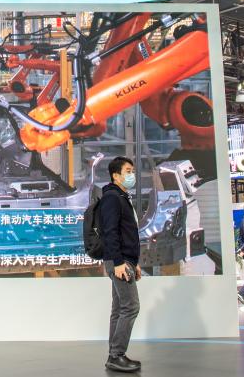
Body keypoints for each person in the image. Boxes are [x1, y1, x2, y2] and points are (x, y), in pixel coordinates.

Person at [100, 156, 142, 373]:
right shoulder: (112, 198)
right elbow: (110, 232)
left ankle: (114, 355)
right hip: (118, 261)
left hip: (125, 260)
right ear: (116, 175)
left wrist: (134, 263)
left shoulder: (121, 197)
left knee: (119, 308)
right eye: (128, 171)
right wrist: (118, 262)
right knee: (131, 306)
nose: (131, 175)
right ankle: (117, 355)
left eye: (132, 171)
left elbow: (127, 233)